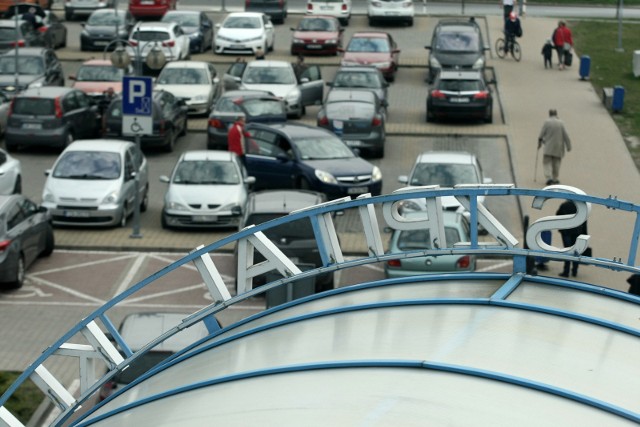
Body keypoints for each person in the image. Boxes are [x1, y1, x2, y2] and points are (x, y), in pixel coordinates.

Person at [538, 109, 571, 185]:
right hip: (558, 147)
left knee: (547, 162)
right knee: (556, 163)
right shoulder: (561, 123)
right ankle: (555, 178)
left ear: (549, 114)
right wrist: (568, 146)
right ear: (556, 114)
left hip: (548, 147)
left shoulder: (547, 122)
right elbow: (566, 135)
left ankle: (548, 178)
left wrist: (539, 143)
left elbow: (541, 133)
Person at [555, 200, 588, 277]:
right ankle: (575, 270)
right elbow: (584, 221)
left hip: (566, 231)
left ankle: (566, 271)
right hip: (577, 232)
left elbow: (557, 215)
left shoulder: (564, 205)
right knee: (576, 251)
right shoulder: (581, 207)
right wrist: (585, 233)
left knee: (567, 251)